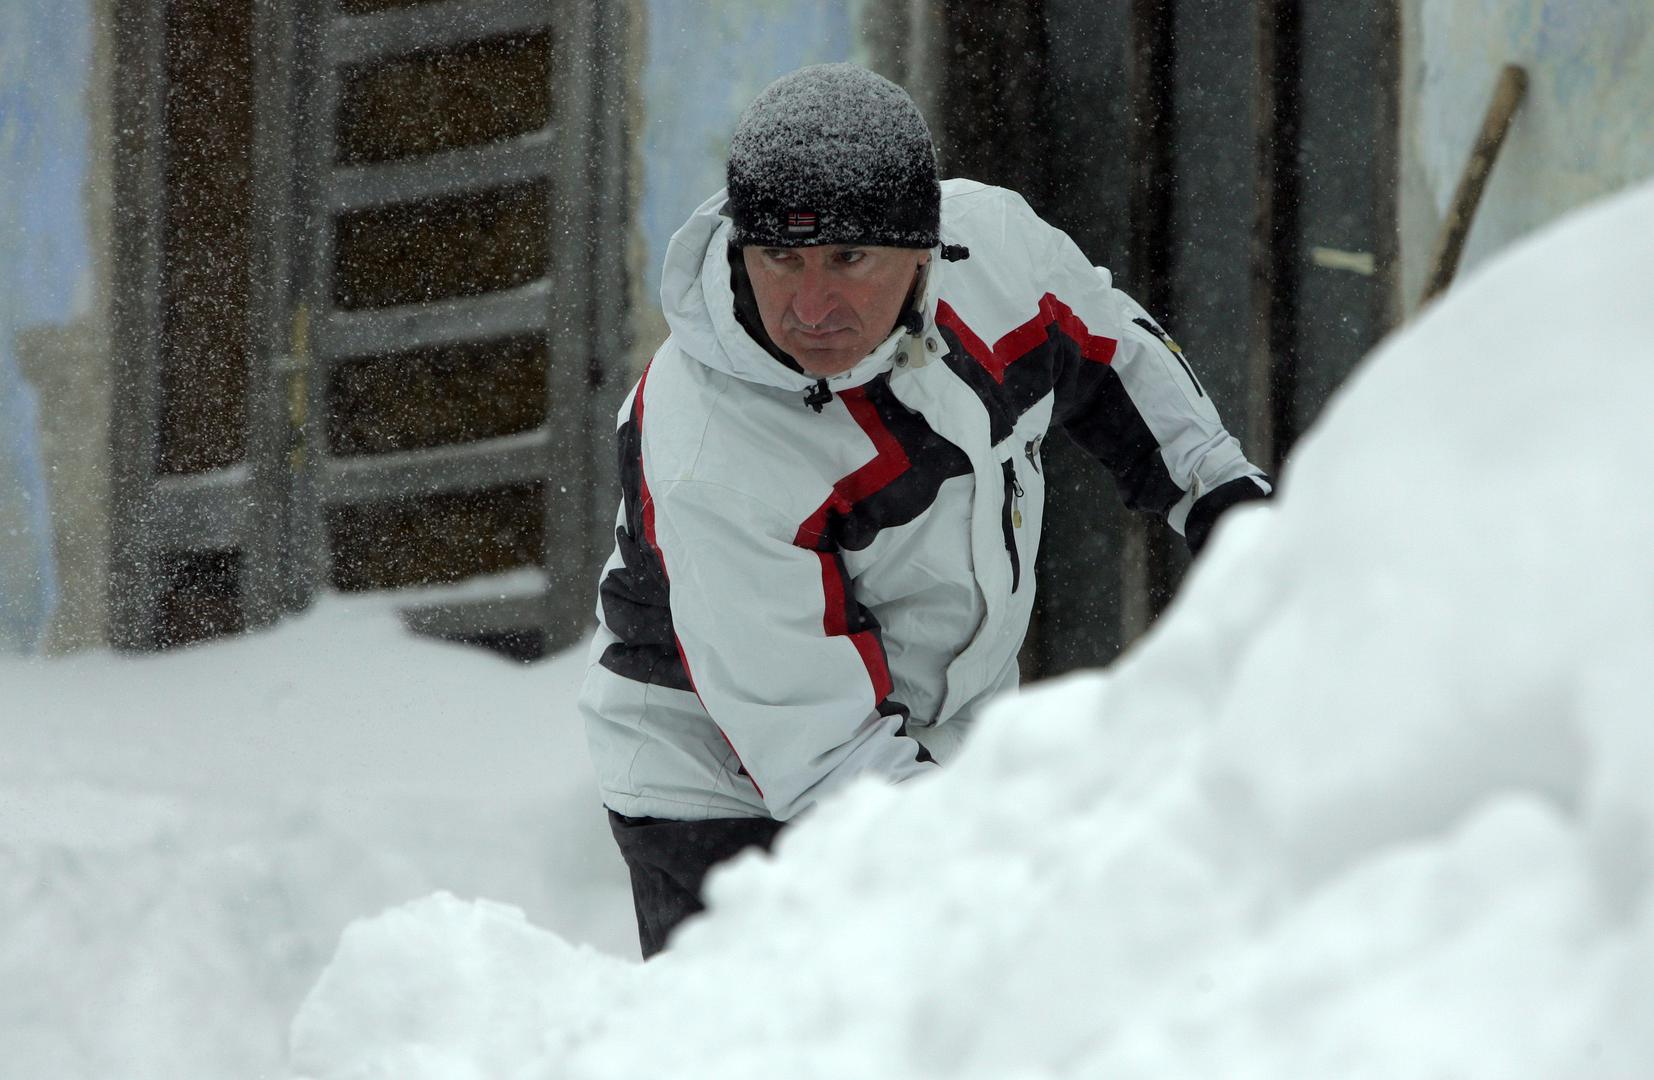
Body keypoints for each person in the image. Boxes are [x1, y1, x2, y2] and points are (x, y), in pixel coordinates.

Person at [579, 63, 1271, 958]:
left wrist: (1229, 505)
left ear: (923, 246)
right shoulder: (717, 452)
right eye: (780, 259)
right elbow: (826, 758)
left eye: (848, 258)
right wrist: (1001, 873)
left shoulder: (995, 251)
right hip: (723, 794)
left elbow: (1113, 355)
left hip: (953, 728)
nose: (810, 304)